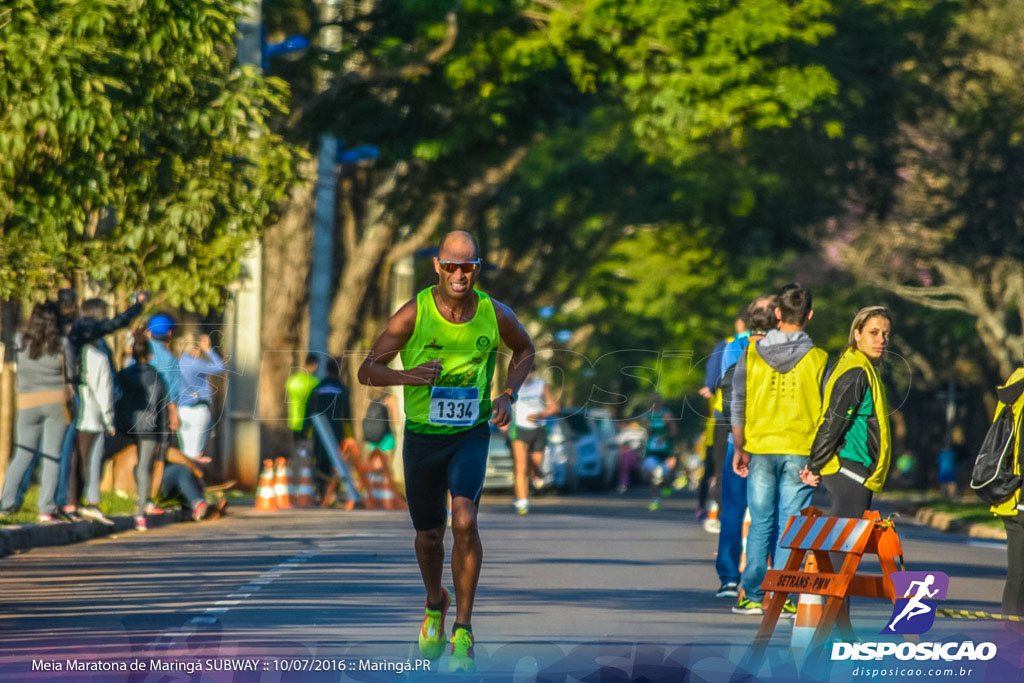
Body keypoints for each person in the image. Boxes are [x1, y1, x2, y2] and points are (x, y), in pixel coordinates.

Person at [358, 230, 534, 673]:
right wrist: (410, 376)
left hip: (470, 433)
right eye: (452, 266)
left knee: (465, 521)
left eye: (468, 267)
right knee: (429, 536)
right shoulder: (414, 312)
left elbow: (525, 350)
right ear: (437, 266)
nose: (460, 275)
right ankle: (435, 603)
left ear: (478, 269)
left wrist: (508, 393)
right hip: (422, 437)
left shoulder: (495, 314)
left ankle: (463, 630)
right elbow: (367, 370)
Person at [731, 283, 828, 616]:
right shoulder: (819, 359)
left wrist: (739, 447)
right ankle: (785, 595)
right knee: (792, 525)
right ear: (810, 315)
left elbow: (738, 402)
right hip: (801, 450)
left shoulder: (751, 353)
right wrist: (820, 460)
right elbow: (828, 412)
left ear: (776, 314)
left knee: (761, 523)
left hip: (760, 448)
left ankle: (753, 595)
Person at [710, 295, 775, 598]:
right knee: (747, 511)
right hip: (750, 440)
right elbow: (730, 394)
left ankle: (742, 578)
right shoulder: (737, 347)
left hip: (747, 440)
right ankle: (732, 575)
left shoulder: (738, 348)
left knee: (747, 511)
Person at [802, 307, 894, 518]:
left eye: (885, 334)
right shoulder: (856, 371)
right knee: (843, 544)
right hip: (850, 467)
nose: (881, 339)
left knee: (843, 544)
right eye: (874, 332)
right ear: (857, 334)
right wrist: (814, 464)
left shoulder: (861, 366)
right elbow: (834, 422)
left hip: (855, 468)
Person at [0, 303, 70, 522]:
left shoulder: (20, 342)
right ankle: (46, 507)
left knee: (22, 453)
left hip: (27, 404)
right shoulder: (62, 344)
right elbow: (71, 373)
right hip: (55, 404)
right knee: (52, 456)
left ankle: (6, 503)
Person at [68, 298, 121, 525]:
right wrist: (109, 421)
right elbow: (104, 392)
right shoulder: (99, 355)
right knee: (91, 461)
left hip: (73, 413)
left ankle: (71, 503)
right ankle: (90, 503)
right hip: (93, 417)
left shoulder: (70, 347)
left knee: (73, 461)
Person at [979, 366, 1024, 616]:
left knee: (1018, 577)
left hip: (1012, 494)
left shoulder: (1016, 386)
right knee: (1019, 579)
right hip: (1020, 498)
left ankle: (1012, 638)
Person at [114, 336, 169, 531]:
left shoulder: (123, 375)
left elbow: (115, 398)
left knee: (102, 458)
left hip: (123, 427)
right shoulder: (158, 377)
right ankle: (141, 513)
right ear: (149, 355)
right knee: (145, 467)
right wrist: (164, 439)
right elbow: (162, 411)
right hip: (149, 427)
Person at [304, 357, 355, 502]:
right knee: (337, 461)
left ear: (326, 370)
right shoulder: (342, 389)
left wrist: (305, 433)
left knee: (320, 459)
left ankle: (320, 491)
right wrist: (350, 435)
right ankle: (333, 493)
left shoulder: (318, 388)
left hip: (319, 431)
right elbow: (347, 415)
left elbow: (309, 411)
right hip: (336, 430)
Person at [509, 371, 559, 514]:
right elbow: (505, 403)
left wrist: (540, 415)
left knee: (535, 465)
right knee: (521, 466)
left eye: (528, 371)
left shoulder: (541, 386)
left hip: (539, 429)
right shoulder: (513, 386)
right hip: (519, 429)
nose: (525, 375)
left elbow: (555, 407)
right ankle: (523, 501)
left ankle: (536, 474)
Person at [177, 332, 225, 465]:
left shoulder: (178, 362)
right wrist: (209, 350)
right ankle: (191, 482)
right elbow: (220, 367)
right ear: (196, 348)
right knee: (196, 453)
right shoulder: (195, 363)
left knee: (186, 451)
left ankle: (184, 480)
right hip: (197, 409)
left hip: (182, 410)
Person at [643, 393, 678, 511]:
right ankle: (655, 500)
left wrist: (665, 436)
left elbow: (674, 431)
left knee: (664, 476)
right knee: (652, 475)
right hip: (652, 450)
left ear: (661, 403)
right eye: (653, 402)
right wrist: (647, 431)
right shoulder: (648, 415)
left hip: (665, 450)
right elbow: (646, 432)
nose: (655, 405)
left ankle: (667, 485)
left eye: (657, 402)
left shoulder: (666, 414)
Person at [286, 353, 321, 444]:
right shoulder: (314, 383)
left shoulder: (293, 380)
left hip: (293, 420)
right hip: (308, 422)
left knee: (296, 448)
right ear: (315, 365)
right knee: (306, 447)